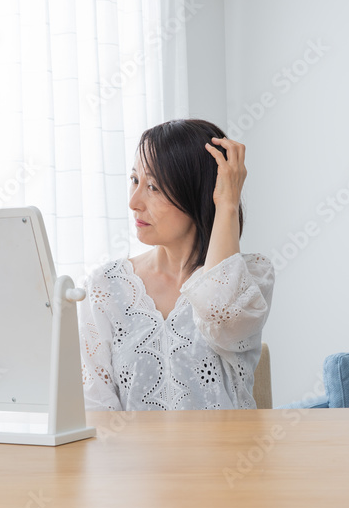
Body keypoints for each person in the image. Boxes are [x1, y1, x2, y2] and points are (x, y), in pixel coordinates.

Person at [77, 118, 275, 411]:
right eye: (135, 180)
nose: (134, 202)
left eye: (153, 187)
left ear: (197, 192)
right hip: (130, 445)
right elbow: (94, 406)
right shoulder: (104, 286)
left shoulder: (251, 278)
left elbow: (223, 318)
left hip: (230, 444)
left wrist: (226, 204)